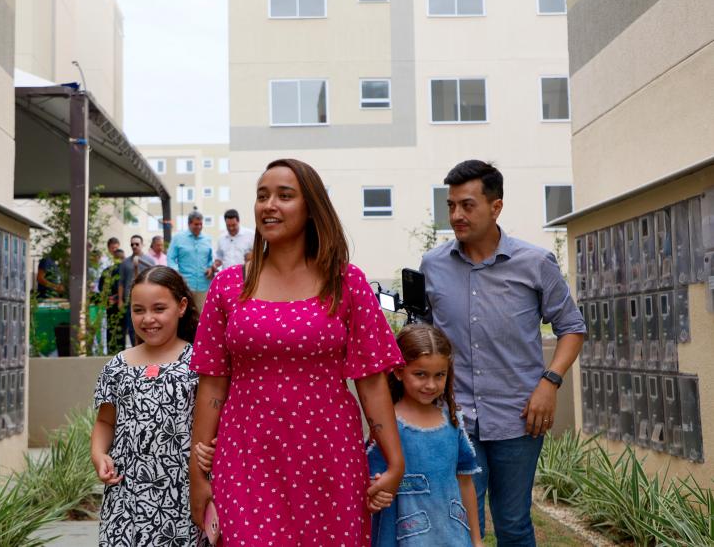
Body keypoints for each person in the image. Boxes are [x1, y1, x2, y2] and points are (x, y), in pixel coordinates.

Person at [188, 158, 406, 546]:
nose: (269, 205)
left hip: (329, 452)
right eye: (262, 196)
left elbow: (371, 381)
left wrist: (395, 460)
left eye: (284, 196)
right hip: (246, 454)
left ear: (311, 209)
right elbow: (213, 384)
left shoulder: (346, 282)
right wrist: (197, 471)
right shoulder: (227, 287)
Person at [420, 160, 585, 546]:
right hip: (454, 417)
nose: (457, 215)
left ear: (496, 207)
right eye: (451, 206)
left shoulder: (535, 262)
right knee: (460, 523)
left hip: (520, 416)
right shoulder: (433, 265)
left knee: (513, 524)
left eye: (467, 205)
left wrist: (550, 382)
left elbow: (572, 328)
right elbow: (424, 336)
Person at [91, 266, 206, 546]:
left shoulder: (201, 362)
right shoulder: (117, 366)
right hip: (126, 498)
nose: (148, 319)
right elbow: (106, 421)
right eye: (139, 310)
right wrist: (98, 454)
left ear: (181, 307)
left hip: (182, 494)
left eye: (158, 308)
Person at [368, 324, 484, 547]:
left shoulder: (452, 422)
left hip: (453, 536)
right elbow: (372, 484)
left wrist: (476, 540)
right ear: (399, 371)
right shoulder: (387, 427)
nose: (430, 385)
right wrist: (374, 495)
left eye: (439, 375)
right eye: (420, 374)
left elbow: (465, 482)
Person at [167, 211, 214, 309]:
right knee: (186, 315)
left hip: (203, 285)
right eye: (196, 224)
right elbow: (170, 258)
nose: (199, 227)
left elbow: (210, 259)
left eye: (201, 224)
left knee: (202, 315)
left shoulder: (207, 239)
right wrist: (177, 273)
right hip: (185, 285)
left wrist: (210, 267)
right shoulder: (178, 238)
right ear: (189, 224)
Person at [118, 235, 155, 346]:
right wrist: (120, 300)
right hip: (130, 299)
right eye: (132, 244)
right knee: (132, 326)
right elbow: (121, 282)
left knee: (147, 325)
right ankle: (136, 350)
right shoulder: (125, 263)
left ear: (142, 245)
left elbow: (154, 280)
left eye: (137, 244)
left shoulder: (149, 261)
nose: (134, 246)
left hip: (147, 299)